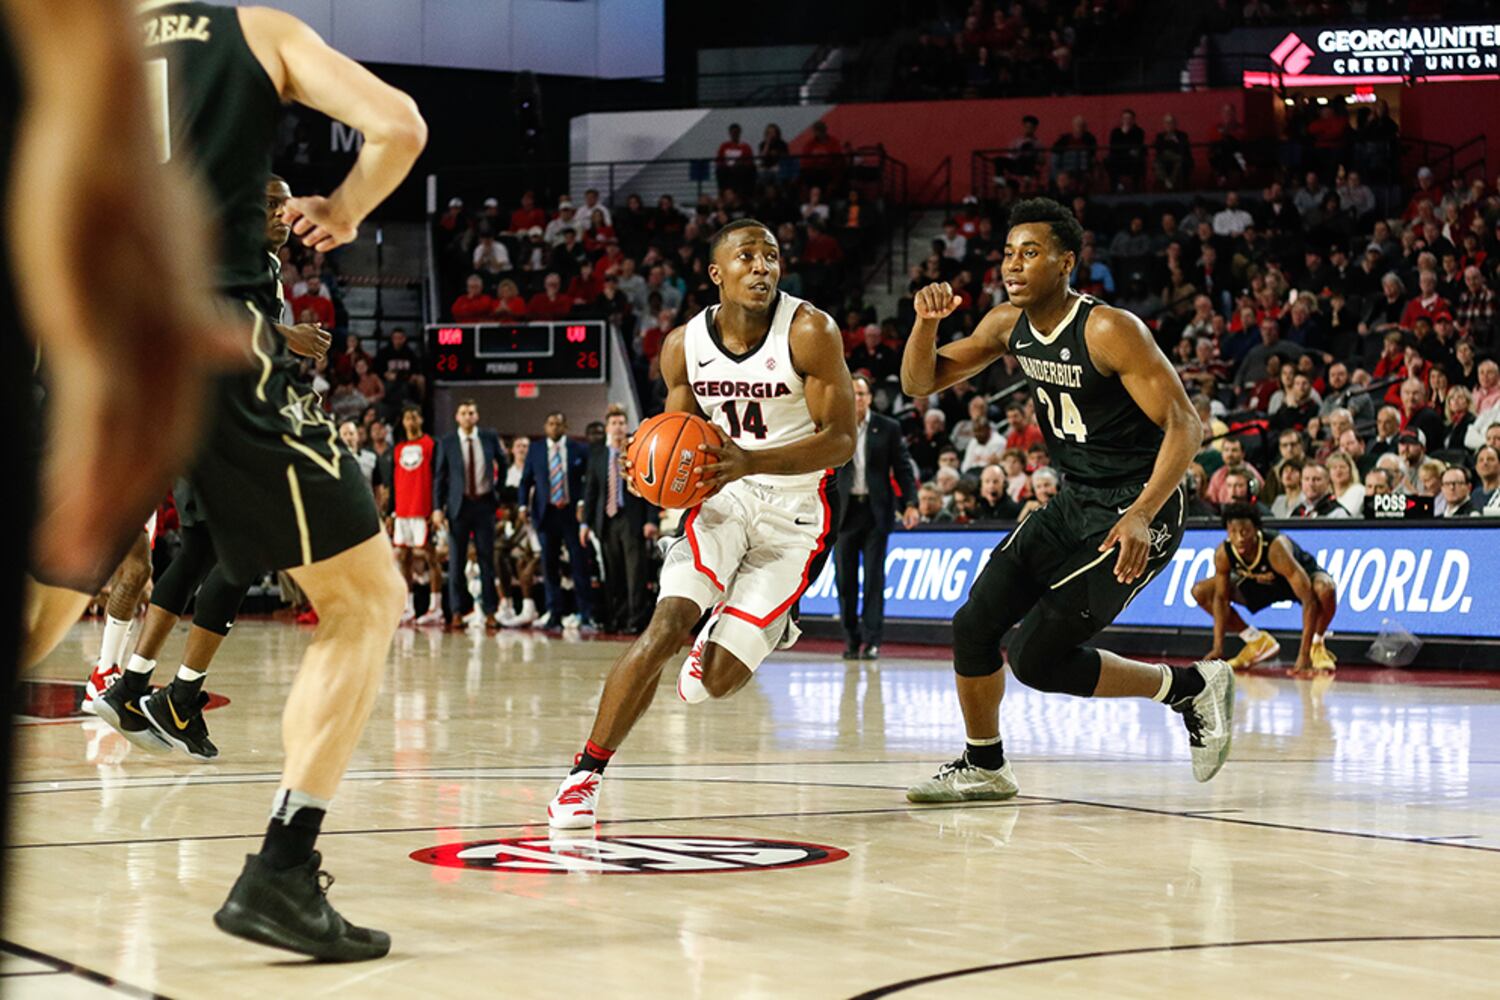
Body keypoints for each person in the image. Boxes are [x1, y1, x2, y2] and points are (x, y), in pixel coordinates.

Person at [129, 0, 425, 961]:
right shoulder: (252, 31)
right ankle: (281, 873)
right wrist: (343, 207)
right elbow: (400, 126)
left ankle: (153, 686)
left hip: (85, 324)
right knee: (366, 598)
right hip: (210, 333)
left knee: (51, 603)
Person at [899, 197, 1233, 806]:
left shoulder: (1108, 328)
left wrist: (1141, 513)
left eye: (1030, 253)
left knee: (1033, 656)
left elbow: (1185, 425)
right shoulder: (1007, 325)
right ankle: (986, 766)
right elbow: (920, 382)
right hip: (1074, 500)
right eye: (1008, 254)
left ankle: (1189, 688)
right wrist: (926, 324)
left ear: (1066, 262)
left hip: (1139, 507)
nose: (1014, 265)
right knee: (973, 625)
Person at [548, 219, 856, 828]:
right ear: (717, 274)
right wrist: (650, 472)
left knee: (712, 682)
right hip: (724, 495)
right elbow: (674, 438)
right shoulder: (681, 345)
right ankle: (584, 773)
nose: (763, 267)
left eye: (771, 256)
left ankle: (769, 618)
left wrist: (751, 459)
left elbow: (842, 442)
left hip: (796, 508)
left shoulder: (810, 331)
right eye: (748, 257)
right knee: (664, 628)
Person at [92, 173, 333, 756]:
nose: (282, 214)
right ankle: (180, 697)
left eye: (284, 205)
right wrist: (289, 338)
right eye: (270, 205)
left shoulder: (258, 261)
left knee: (199, 549)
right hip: (219, 419)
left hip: (202, 416)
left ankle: (130, 685)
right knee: (243, 550)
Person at [1193, 504, 1338, 674]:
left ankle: (1316, 644)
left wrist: (1303, 654)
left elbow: (1309, 600)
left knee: (1325, 588)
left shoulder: (1276, 549)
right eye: (1233, 532)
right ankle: (1255, 640)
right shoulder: (1223, 553)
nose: (1239, 538)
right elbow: (1221, 599)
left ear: (1256, 530)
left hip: (1300, 581)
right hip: (1261, 585)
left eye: (1245, 531)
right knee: (1201, 591)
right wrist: (1218, 647)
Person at [835, 375, 919, 661]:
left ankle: (872, 641)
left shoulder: (888, 427)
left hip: (875, 511)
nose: (857, 399)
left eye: (861, 394)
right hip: (844, 513)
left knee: (874, 579)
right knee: (845, 581)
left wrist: (910, 503)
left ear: (870, 397)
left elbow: (903, 468)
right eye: (853, 394)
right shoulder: (835, 427)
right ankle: (850, 639)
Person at [583, 405, 658, 634]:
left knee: (635, 572)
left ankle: (636, 620)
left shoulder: (637, 451)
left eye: (621, 423)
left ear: (627, 427)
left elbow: (650, 486)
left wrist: (651, 520)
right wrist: (585, 523)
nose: (618, 428)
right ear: (607, 428)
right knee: (613, 572)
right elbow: (591, 491)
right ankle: (617, 617)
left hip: (631, 518)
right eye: (614, 424)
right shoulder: (597, 455)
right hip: (606, 520)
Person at [433, 399, 502, 630]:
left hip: (484, 505)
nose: (467, 416)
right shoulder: (448, 441)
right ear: (457, 417)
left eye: (471, 412)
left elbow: (503, 462)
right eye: (463, 413)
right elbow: (440, 477)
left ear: (477, 416)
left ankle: (490, 612)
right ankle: (457, 611)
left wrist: (497, 493)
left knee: (486, 561)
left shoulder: (489, 437)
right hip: (458, 507)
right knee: (456, 562)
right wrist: (437, 508)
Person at [390, 406, 444, 625]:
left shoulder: (431, 445)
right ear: (402, 422)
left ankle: (436, 607)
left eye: (414, 417)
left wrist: (436, 508)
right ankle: (407, 606)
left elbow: (439, 477)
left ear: (421, 419)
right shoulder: (399, 448)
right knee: (404, 558)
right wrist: (391, 512)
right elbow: (394, 483)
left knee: (431, 557)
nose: (411, 421)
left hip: (423, 509)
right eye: (407, 418)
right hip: (402, 510)